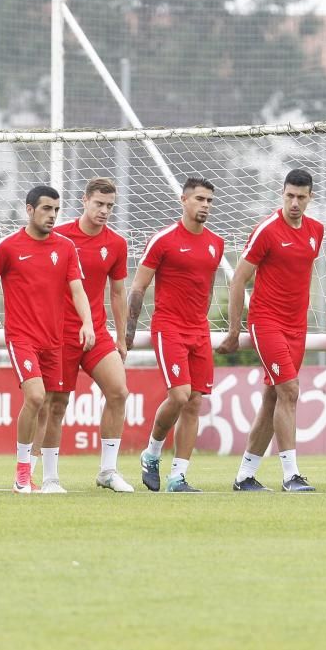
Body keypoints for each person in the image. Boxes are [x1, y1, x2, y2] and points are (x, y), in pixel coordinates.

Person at [0, 186, 94, 494]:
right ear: (29, 209)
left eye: (56, 210)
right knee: (35, 397)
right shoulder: (8, 247)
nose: (52, 215)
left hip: (54, 339)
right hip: (21, 337)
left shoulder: (65, 248)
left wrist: (88, 322)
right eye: (46, 209)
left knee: (48, 406)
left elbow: (77, 290)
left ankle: (45, 477)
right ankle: (22, 473)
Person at [218, 169, 323, 492]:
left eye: (301, 197)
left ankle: (244, 476)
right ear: (282, 193)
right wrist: (235, 330)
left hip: (297, 327)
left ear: (310, 198)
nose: (294, 203)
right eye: (289, 196)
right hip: (267, 323)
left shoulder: (316, 231)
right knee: (290, 391)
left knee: (272, 398)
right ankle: (291, 475)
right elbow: (238, 279)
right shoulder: (266, 230)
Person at [127, 178, 224, 493]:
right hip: (168, 326)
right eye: (199, 199)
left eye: (209, 200)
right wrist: (129, 331)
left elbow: (208, 287)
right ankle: (151, 453)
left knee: (195, 403)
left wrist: (202, 321)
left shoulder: (215, 243)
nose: (205, 205)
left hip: (199, 330)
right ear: (183, 200)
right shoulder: (164, 240)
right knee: (180, 396)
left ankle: (177, 477)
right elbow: (139, 286)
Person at [42, 177, 134, 494]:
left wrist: (121, 339)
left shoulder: (117, 244)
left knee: (119, 392)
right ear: (84, 200)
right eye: (99, 204)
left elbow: (118, 293)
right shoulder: (59, 236)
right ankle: (50, 477)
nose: (104, 210)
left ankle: (107, 471)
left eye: (110, 206)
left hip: (96, 333)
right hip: (60, 334)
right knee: (57, 404)